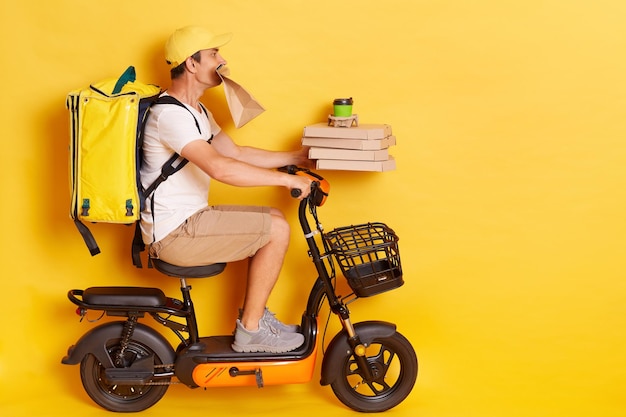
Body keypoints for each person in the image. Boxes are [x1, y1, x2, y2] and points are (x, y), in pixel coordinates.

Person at [140, 25, 313, 353]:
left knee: (274, 217)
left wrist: (296, 158)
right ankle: (250, 330)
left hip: (191, 221)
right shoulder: (169, 115)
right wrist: (287, 180)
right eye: (214, 54)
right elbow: (220, 168)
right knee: (276, 228)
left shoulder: (198, 111)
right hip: (174, 233)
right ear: (191, 64)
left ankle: (256, 318)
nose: (223, 60)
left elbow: (235, 153)